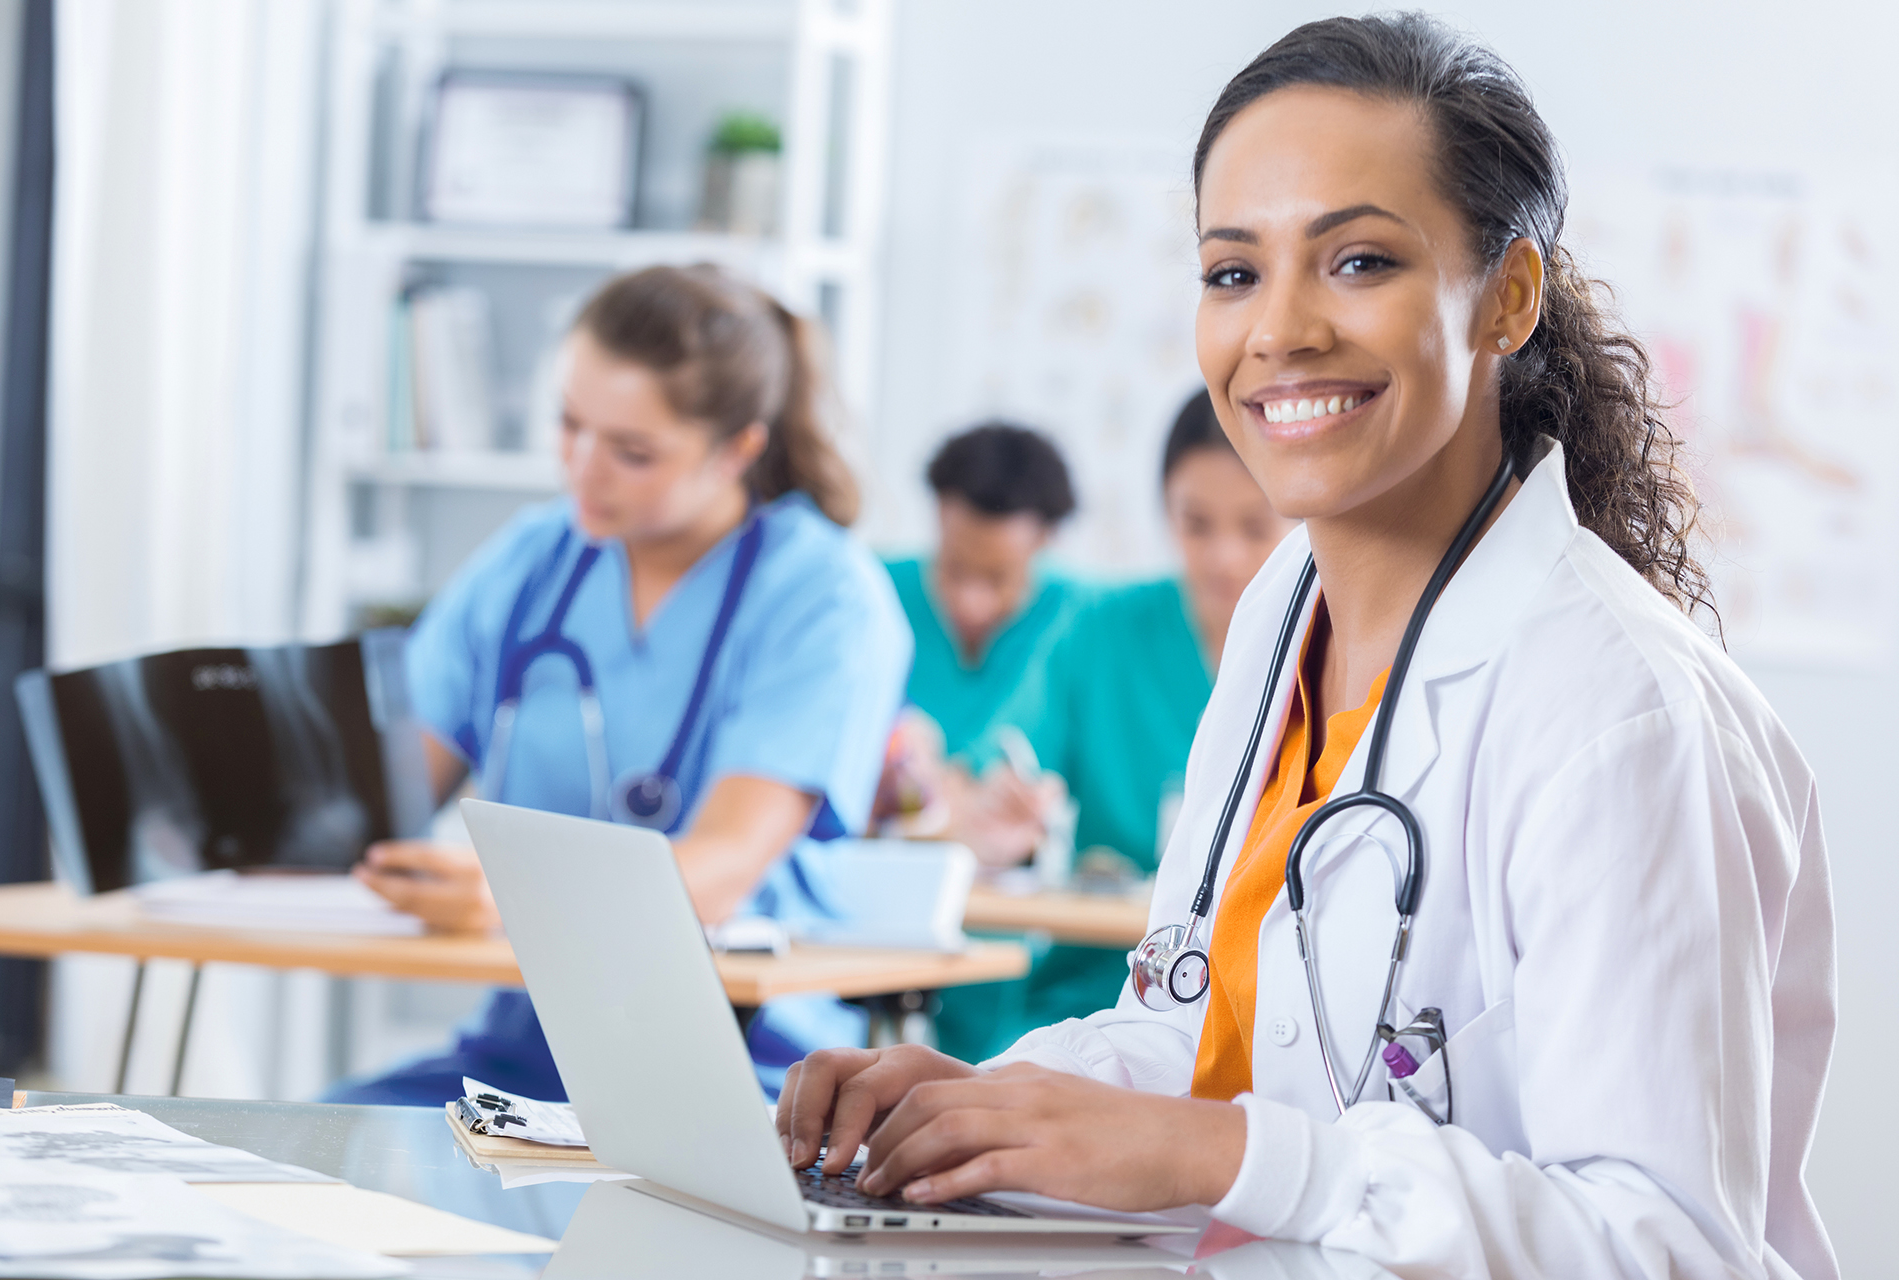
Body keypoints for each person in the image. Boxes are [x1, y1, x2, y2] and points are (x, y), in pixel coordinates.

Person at [777, 16, 1835, 1279]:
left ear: (1509, 296)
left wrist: (1225, 1156)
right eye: (1233, 272)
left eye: (1360, 261)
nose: (1278, 330)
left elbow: (1669, 1248)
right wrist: (978, 1102)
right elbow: (1204, 1035)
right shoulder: (1288, 609)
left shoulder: (1621, 717)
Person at [330, 264, 911, 1104]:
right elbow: (374, 801)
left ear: (738, 448)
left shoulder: (822, 595)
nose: (583, 468)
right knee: (306, 1158)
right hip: (527, 1053)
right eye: (569, 426)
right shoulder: (533, 561)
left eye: (632, 452)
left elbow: (722, 866)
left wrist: (505, 899)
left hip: (736, 1063)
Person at [942, 389, 1290, 1060]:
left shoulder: (1334, 645)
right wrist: (995, 815)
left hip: (1260, 1017)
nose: (1223, 557)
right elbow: (983, 775)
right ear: (1164, 512)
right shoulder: (1101, 632)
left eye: (1255, 526)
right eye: (1196, 524)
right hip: (1087, 1002)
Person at [884, 423, 1083, 762]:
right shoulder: (875, 592)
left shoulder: (1079, 618)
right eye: (954, 567)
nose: (970, 603)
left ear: (1045, 541)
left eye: (998, 577)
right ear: (937, 516)